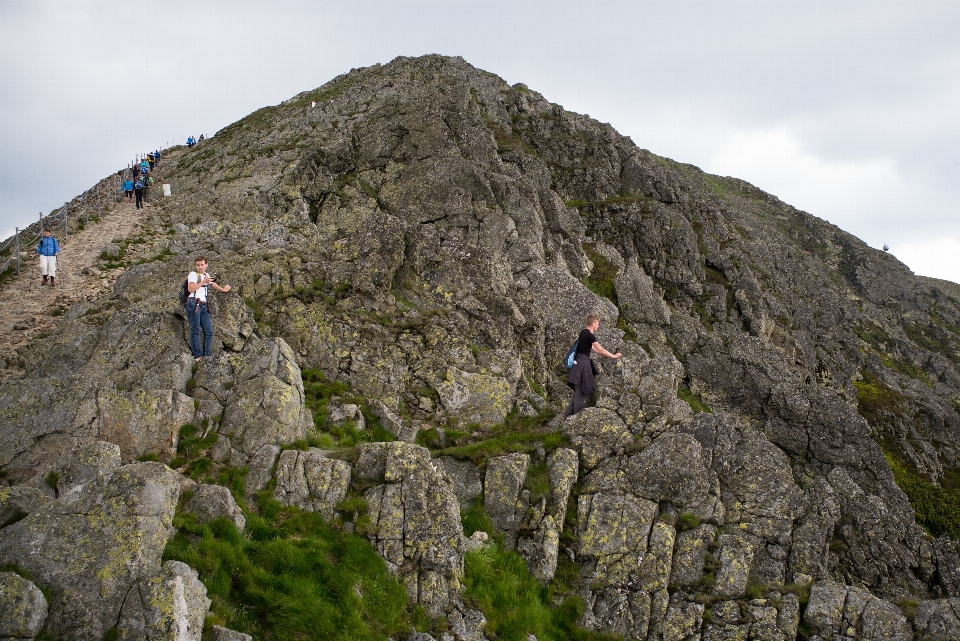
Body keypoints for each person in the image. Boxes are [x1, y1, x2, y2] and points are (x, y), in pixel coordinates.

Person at [562, 314, 622, 418]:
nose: (598, 326)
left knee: (578, 391)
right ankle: (576, 418)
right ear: (593, 324)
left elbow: (598, 352)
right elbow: (601, 350)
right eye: (598, 324)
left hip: (579, 364)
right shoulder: (589, 334)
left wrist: (608, 355)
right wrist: (614, 356)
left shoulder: (583, 334)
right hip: (582, 365)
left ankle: (566, 414)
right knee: (581, 392)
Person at [185, 256, 232, 361]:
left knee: (209, 331)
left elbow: (213, 284)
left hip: (203, 304)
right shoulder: (193, 275)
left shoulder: (206, 275)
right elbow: (191, 288)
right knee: (195, 329)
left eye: (202, 265)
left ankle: (207, 356)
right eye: (198, 265)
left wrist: (223, 290)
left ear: (206, 264)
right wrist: (203, 281)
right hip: (194, 302)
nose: (200, 267)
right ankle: (198, 356)